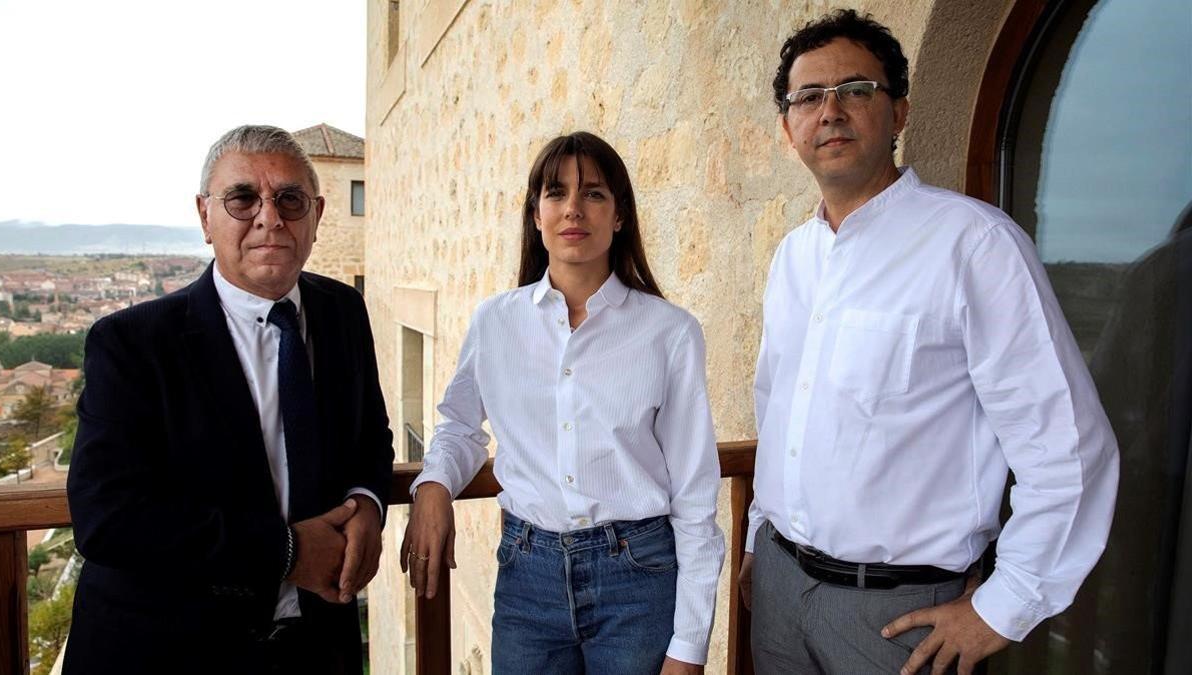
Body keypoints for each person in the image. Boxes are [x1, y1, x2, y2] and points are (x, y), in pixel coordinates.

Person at [739, 10, 1119, 675]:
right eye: (808, 97)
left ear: (900, 111)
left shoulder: (974, 246)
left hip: (898, 617)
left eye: (856, 89)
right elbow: (775, 410)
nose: (830, 110)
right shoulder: (791, 259)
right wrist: (754, 546)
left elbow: (1071, 450)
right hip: (778, 589)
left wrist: (1004, 604)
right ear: (786, 127)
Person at [65, 125, 395, 675]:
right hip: (172, 651)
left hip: (314, 648)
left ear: (315, 214)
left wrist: (367, 502)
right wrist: (287, 552)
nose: (270, 217)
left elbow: (370, 438)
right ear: (204, 216)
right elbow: (107, 517)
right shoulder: (132, 343)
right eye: (243, 198)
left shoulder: (343, 312)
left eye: (290, 199)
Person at [401, 131, 724, 674]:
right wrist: (433, 486)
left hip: (638, 582)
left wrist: (689, 645)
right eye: (556, 193)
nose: (574, 208)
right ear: (536, 214)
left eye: (594, 193)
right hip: (528, 579)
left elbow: (694, 494)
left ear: (619, 215)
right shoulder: (496, 322)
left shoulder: (669, 333)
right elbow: (459, 426)